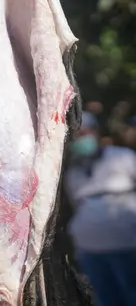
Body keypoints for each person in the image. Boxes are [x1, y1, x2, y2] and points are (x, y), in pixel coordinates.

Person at [63, 111, 136, 306]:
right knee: (107, 298)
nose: (81, 139)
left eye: (85, 133)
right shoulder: (71, 171)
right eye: (77, 136)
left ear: (95, 133)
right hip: (90, 247)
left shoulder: (122, 156)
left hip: (128, 241)